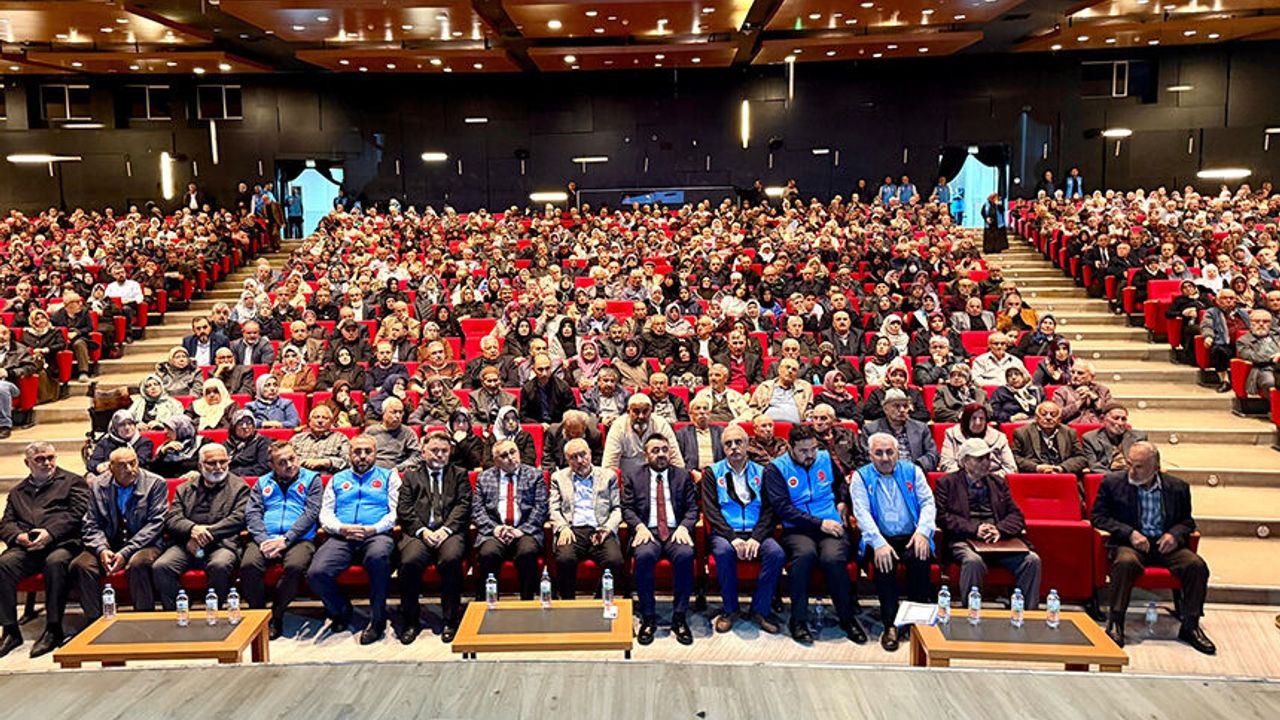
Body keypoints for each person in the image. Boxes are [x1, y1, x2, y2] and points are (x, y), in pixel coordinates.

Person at [1091, 441, 1215, 655]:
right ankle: (1116, 622)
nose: (1132, 471)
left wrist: (1174, 535)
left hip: (1165, 546)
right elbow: (1098, 517)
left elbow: (1187, 522)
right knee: (1125, 562)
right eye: (1130, 464)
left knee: (1196, 566)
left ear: (1155, 467)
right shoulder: (1112, 482)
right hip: (1131, 544)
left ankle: (1190, 626)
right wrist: (1130, 532)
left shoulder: (1178, 487)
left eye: (1139, 466)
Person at [764, 424, 867, 645]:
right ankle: (798, 620)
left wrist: (842, 501)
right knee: (804, 557)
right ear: (790, 448)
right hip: (797, 527)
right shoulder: (776, 469)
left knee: (833, 559)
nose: (810, 455)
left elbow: (841, 484)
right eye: (803, 451)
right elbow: (782, 508)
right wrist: (820, 524)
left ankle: (847, 619)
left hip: (831, 522)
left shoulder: (824, 458)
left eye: (813, 449)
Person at [308, 435, 400, 644]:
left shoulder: (389, 477)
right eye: (357, 452)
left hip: (376, 534)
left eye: (368, 451)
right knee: (316, 572)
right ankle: (341, 610)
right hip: (342, 536)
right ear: (350, 454)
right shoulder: (337, 479)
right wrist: (341, 528)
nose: (362, 456)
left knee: (379, 558)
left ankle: (378, 618)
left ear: (375, 454)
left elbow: (395, 513)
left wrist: (372, 529)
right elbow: (325, 514)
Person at [0, 442, 88, 658]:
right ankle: (10, 630)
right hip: (28, 547)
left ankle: (53, 628)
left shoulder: (72, 482)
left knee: (55, 563)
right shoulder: (18, 492)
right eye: (39, 459)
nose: (47, 463)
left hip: (63, 543)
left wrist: (50, 533)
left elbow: (78, 513)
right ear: (27, 463)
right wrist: (19, 537)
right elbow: (6, 524)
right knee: (3, 565)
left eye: (50, 458)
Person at [850, 433, 936, 651]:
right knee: (884, 563)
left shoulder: (912, 471)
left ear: (898, 453)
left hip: (911, 535)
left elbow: (928, 502)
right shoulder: (860, 477)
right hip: (880, 537)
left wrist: (923, 532)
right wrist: (878, 543)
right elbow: (862, 513)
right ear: (870, 455)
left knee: (921, 557)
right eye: (879, 453)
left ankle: (916, 621)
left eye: (890, 452)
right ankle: (891, 624)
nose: (885, 458)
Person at [702, 424, 783, 634]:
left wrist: (756, 537)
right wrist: (732, 537)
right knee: (723, 552)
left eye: (738, 442)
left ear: (747, 445)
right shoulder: (712, 473)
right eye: (728, 444)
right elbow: (711, 511)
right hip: (726, 532)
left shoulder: (764, 472)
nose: (734, 447)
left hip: (757, 532)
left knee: (776, 553)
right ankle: (730, 610)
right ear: (723, 448)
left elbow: (770, 510)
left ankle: (760, 610)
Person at [71, 447, 166, 622]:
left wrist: (125, 552)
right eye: (123, 465)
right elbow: (91, 522)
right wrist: (101, 549)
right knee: (81, 565)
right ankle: (95, 622)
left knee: (138, 564)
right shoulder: (98, 485)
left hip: (145, 544)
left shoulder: (155, 483)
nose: (130, 469)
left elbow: (155, 524)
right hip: (109, 542)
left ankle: (145, 620)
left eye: (133, 463)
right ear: (111, 468)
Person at [622, 433, 698, 646]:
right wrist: (639, 527)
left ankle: (679, 617)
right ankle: (648, 617)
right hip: (648, 531)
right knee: (644, 555)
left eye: (664, 449)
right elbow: (626, 508)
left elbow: (693, 508)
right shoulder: (633, 476)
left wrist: (684, 527)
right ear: (645, 455)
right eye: (655, 451)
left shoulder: (682, 476)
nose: (661, 454)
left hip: (675, 531)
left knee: (685, 555)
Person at [153, 444, 250, 611]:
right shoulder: (184, 488)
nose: (218, 467)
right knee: (162, 567)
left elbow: (239, 519)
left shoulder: (239, 488)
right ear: (200, 466)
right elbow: (172, 518)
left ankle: (214, 612)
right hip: (187, 544)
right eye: (212, 463)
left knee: (219, 565)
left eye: (223, 462)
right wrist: (192, 530)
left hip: (221, 544)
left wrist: (203, 534)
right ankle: (178, 611)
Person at [241, 441, 322, 639]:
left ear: (298, 457)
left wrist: (286, 539)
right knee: (248, 565)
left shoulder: (312, 480)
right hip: (266, 538)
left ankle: (276, 616)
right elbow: (252, 514)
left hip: (299, 538)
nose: (289, 465)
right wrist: (263, 540)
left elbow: (311, 513)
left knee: (295, 566)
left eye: (292, 459)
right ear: (272, 465)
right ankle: (259, 616)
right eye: (282, 462)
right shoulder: (262, 483)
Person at [397, 432, 471, 644]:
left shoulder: (459, 474)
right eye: (434, 450)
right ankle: (411, 621)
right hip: (420, 532)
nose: (439, 455)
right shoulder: (411, 476)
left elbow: (463, 505)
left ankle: (450, 620)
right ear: (423, 452)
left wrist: (445, 530)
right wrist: (423, 531)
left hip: (449, 532)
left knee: (451, 560)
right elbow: (404, 509)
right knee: (409, 562)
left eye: (444, 451)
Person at [472, 438, 548, 601]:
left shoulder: (535, 475)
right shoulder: (484, 478)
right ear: (495, 461)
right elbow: (477, 510)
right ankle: (488, 602)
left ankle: (527, 601)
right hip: (494, 531)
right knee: (488, 554)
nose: (510, 458)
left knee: (527, 552)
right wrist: (495, 529)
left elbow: (541, 507)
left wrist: (521, 530)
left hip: (525, 530)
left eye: (513, 452)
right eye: (504, 455)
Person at [549, 438, 624, 600]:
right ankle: (568, 603)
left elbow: (617, 509)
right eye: (573, 457)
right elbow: (554, 509)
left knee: (615, 561)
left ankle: (600, 602)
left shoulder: (608, 476)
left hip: (600, 528)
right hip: (572, 530)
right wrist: (562, 527)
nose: (579, 461)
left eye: (583, 455)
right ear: (567, 460)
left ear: (590, 454)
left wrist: (607, 528)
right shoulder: (558, 478)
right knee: (564, 559)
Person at [603, 393, 683, 477]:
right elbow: (609, 466)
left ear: (651, 411)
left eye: (645, 411)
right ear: (628, 412)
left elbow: (675, 459)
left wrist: (678, 480)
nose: (641, 416)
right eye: (636, 411)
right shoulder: (618, 427)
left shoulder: (661, 424)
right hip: (626, 479)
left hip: (657, 477)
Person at [861, 389, 939, 472]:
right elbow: (867, 457)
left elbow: (933, 455)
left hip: (915, 473)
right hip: (884, 474)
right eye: (896, 406)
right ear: (885, 409)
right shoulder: (871, 430)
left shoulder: (921, 428)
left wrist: (915, 467)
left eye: (905, 406)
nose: (902, 410)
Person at [938, 403, 1017, 476]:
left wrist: (987, 479)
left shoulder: (999, 438)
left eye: (981, 418)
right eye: (973, 418)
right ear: (966, 420)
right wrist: (967, 479)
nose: (978, 423)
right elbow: (946, 464)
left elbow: (1011, 468)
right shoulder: (952, 434)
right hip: (960, 482)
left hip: (993, 482)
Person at [1011, 401, 1089, 475]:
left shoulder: (1069, 432)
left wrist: (1062, 468)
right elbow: (1014, 457)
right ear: (1036, 417)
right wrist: (1037, 467)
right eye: (1043, 414)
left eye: (1053, 414)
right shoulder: (1022, 433)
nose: (1048, 417)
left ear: (1059, 419)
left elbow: (1081, 457)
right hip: (1034, 475)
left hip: (1062, 475)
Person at [1201, 288, 1251, 392]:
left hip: (1246, 344)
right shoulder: (1212, 312)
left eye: (1231, 298)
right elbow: (1206, 326)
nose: (1228, 300)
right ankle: (1225, 381)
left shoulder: (1243, 312)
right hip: (1225, 344)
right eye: (1225, 298)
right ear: (1217, 300)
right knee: (1217, 351)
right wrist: (1208, 336)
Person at [1082, 404, 1149, 473]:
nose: (1120, 423)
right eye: (1116, 418)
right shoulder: (1090, 438)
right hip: (1108, 475)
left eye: (1123, 419)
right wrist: (1114, 477)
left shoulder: (1139, 437)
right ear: (1102, 418)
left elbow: (1144, 462)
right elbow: (1094, 465)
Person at [87, 409, 156, 475]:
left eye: (130, 423)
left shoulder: (144, 443)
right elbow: (92, 462)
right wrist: (98, 467)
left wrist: (114, 465)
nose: (127, 428)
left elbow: (141, 462)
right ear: (115, 428)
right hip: (107, 477)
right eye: (122, 425)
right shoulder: (105, 443)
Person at [365, 397, 422, 474]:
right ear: (383, 412)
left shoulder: (408, 433)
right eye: (394, 412)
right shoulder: (370, 431)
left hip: (397, 473)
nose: (398, 416)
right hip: (372, 472)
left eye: (400, 412)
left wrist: (400, 468)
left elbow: (417, 456)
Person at [518, 352, 576, 425]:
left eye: (547, 368)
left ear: (551, 367)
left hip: (559, 425)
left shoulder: (563, 386)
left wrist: (556, 426)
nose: (544, 373)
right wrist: (538, 425)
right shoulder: (527, 389)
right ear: (533, 369)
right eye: (540, 369)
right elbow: (523, 416)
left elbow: (571, 412)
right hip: (537, 425)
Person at [674, 397, 724, 477]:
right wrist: (691, 473)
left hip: (718, 475)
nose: (702, 411)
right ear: (690, 414)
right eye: (698, 408)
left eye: (705, 408)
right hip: (691, 475)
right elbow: (678, 460)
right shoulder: (681, 434)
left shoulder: (721, 432)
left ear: (710, 414)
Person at [1237, 310, 1280, 397]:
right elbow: (1253, 357)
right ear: (1250, 323)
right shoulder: (1243, 341)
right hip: (1263, 370)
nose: (1261, 324)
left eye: (1265, 321)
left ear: (1271, 324)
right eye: (1257, 321)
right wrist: (1275, 357)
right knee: (1270, 382)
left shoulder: (1277, 336)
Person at [225, 409, 272, 477]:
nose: (244, 427)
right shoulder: (226, 444)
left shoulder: (262, 442)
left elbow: (263, 467)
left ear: (253, 426)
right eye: (240, 423)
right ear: (234, 427)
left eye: (248, 423)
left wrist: (237, 473)